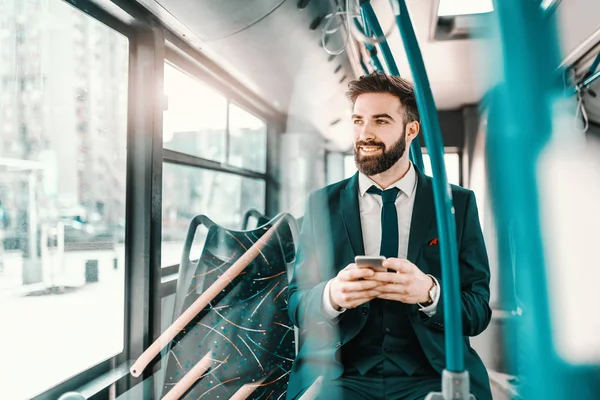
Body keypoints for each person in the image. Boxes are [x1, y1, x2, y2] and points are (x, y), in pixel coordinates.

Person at [286, 72, 492, 400]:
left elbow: (478, 311)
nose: (364, 133)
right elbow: (295, 304)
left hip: (431, 372)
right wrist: (332, 295)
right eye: (357, 121)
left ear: (411, 130)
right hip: (342, 373)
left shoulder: (457, 204)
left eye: (380, 121)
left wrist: (429, 293)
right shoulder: (321, 205)